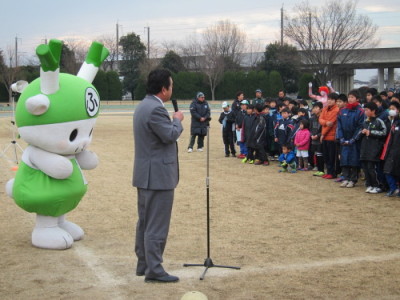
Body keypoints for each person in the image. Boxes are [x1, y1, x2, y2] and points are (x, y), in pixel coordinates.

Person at [132, 69, 184, 283]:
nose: (171, 90)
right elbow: (170, 135)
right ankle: (154, 269)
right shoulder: (156, 109)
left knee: (145, 222)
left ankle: (144, 263)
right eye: (170, 86)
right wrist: (177, 120)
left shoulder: (143, 105)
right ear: (164, 89)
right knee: (156, 224)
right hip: (158, 177)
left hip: (146, 175)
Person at [336, 89, 365, 188]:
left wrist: (354, 139)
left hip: (354, 141)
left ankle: (353, 179)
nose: (350, 99)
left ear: (357, 99)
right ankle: (345, 178)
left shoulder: (360, 111)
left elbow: (360, 127)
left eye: (352, 97)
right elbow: (339, 126)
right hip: (344, 139)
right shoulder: (342, 111)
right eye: (349, 97)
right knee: (344, 159)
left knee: (354, 160)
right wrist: (341, 138)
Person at [358, 102, 387, 194]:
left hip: (374, 149)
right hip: (364, 149)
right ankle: (369, 184)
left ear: (373, 110)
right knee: (365, 168)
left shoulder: (379, 121)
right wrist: (362, 133)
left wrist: (371, 132)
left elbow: (384, 133)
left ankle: (377, 185)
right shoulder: (365, 122)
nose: (365, 112)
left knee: (372, 168)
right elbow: (359, 134)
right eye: (364, 110)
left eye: (367, 110)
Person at [319, 93, 340, 179]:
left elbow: (331, 123)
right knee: (326, 156)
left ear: (335, 101)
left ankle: (333, 173)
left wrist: (323, 134)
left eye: (331, 99)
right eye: (329, 99)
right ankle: (328, 171)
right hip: (325, 136)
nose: (329, 101)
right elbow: (320, 119)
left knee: (332, 156)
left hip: (331, 136)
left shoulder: (336, 110)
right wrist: (325, 122)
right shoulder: (325, 109)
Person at [309, 102, 324, 176]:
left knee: (320, 154)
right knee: (315, 154)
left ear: (321, 109)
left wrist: (318, 135)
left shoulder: (323, 117)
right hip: (313, 139)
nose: (314, 109)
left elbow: (323, 129)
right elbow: (310, 128)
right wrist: (311, 135)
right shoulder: (312, 118)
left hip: (320, 139)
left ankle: (321, 170)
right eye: (313, 108)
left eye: (316, 108)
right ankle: (317, 168)